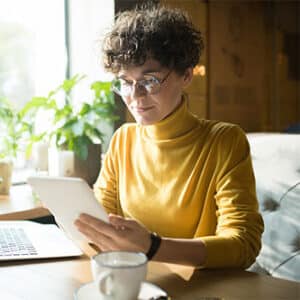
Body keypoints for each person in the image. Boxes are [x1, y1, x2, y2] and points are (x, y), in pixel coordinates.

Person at [75, 3, 264, 268]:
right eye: (126, 83)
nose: (136, 96)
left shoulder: (224, 141)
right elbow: (101, 221)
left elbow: (244, 244)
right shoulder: (123, 140)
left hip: (203, 287)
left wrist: (152, 247)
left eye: (149, 80)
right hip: (139, 280)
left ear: (186, 75)